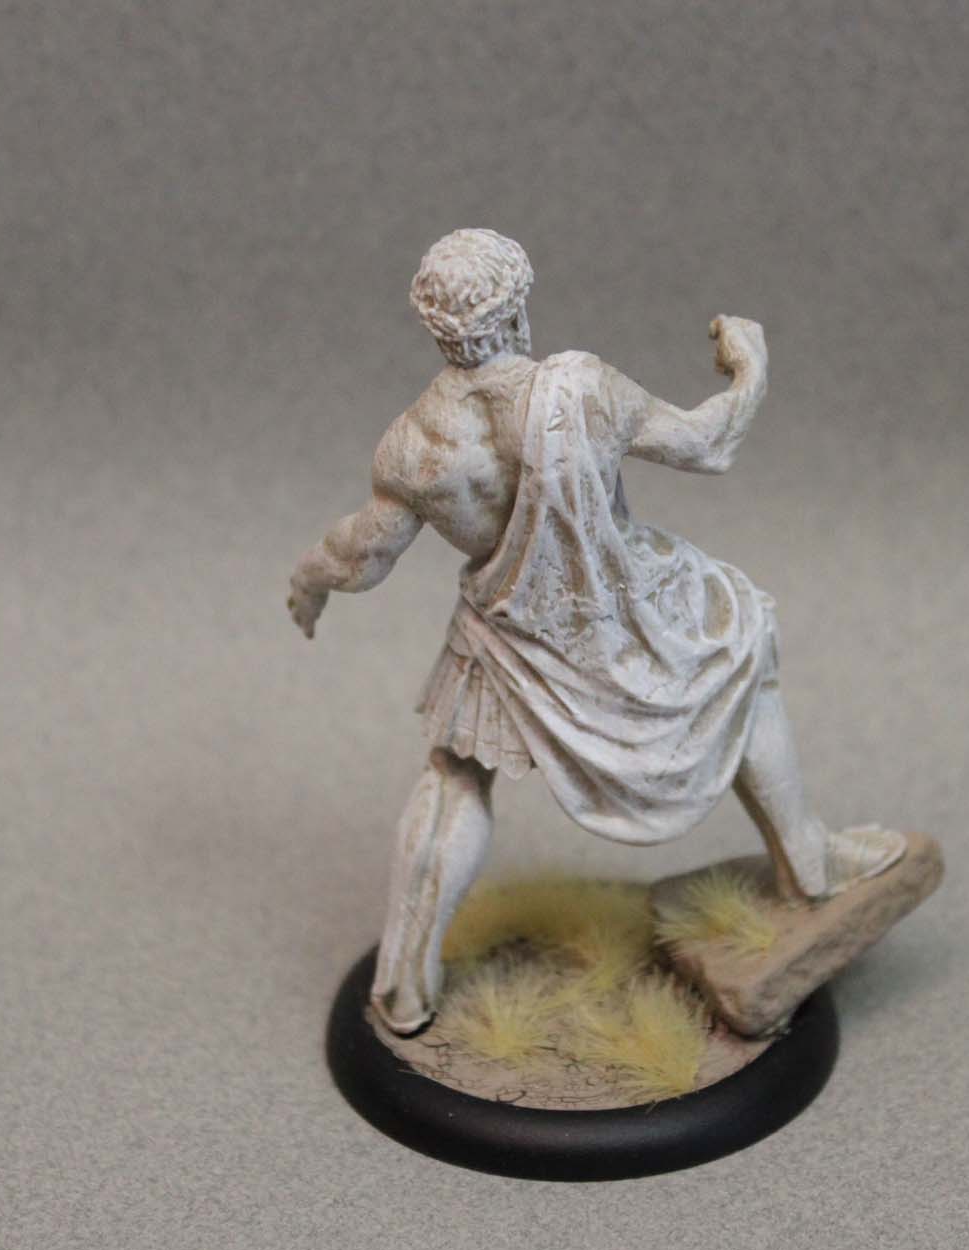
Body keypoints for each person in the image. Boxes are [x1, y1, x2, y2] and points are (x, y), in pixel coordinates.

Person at [288, 229, 900, 1035]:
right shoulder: (580, 390)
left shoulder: (413, 445)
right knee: (742, 645)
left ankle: (403, 981)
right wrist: (750, 366)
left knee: (455, 772)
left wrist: (309, 581)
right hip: (625, 612)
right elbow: (709, 444)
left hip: (509, 636)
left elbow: (362, 555)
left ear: (436, 330)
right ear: (516, 311)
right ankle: (809, 862)